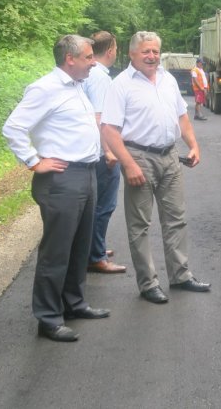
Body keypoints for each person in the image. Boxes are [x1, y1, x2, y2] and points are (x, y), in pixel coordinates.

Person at [2, 34, 110, 342]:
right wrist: (34, 162)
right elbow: (13, 127)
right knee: (57, 250)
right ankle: (48, 318)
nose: (93, 62)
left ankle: (73, 304)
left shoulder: (77, 87)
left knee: (79, 245)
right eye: (89, 57)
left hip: (85, 174)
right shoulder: (45, 89)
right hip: (62, 179)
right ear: (70, 59)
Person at [101, 31, 211, 305]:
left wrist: (193, 145)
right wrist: (128, 164)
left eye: (155, 51)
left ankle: (181, 275)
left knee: (176, 218)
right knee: (140, 224)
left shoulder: (167, 79)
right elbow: (109, 130)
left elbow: (181, 116)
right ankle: (148, 283)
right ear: (132, 54)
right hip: (138, 156)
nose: (151, 56)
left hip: (170, 155)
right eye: (145, 52)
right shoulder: (121, 85)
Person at [82, 31, 127, 274]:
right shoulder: (99, 78)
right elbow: (101, 117)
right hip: (103, 153)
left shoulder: (91, 74)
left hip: (95, 150)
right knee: (104, 205)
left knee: (97, 204)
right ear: (110, 50)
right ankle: (95, 257)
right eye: (116, 48)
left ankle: (93, 247)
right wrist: (109, 151)